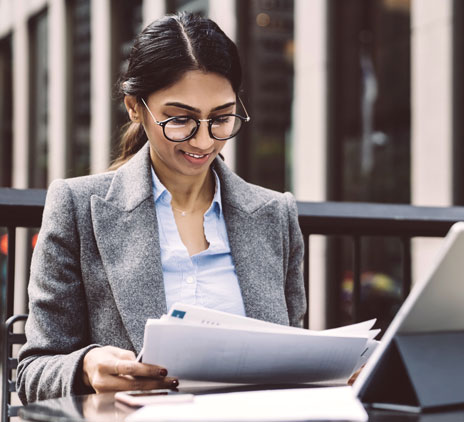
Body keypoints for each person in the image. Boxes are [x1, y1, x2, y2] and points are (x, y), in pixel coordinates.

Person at [17, 12, 306, 404]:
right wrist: (86, 367)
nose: (203, 140)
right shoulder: (77, 208)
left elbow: (297, 363)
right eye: (180, 119)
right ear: (135, 107)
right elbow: (33, 371)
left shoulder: (275, 215)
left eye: (221, 118)